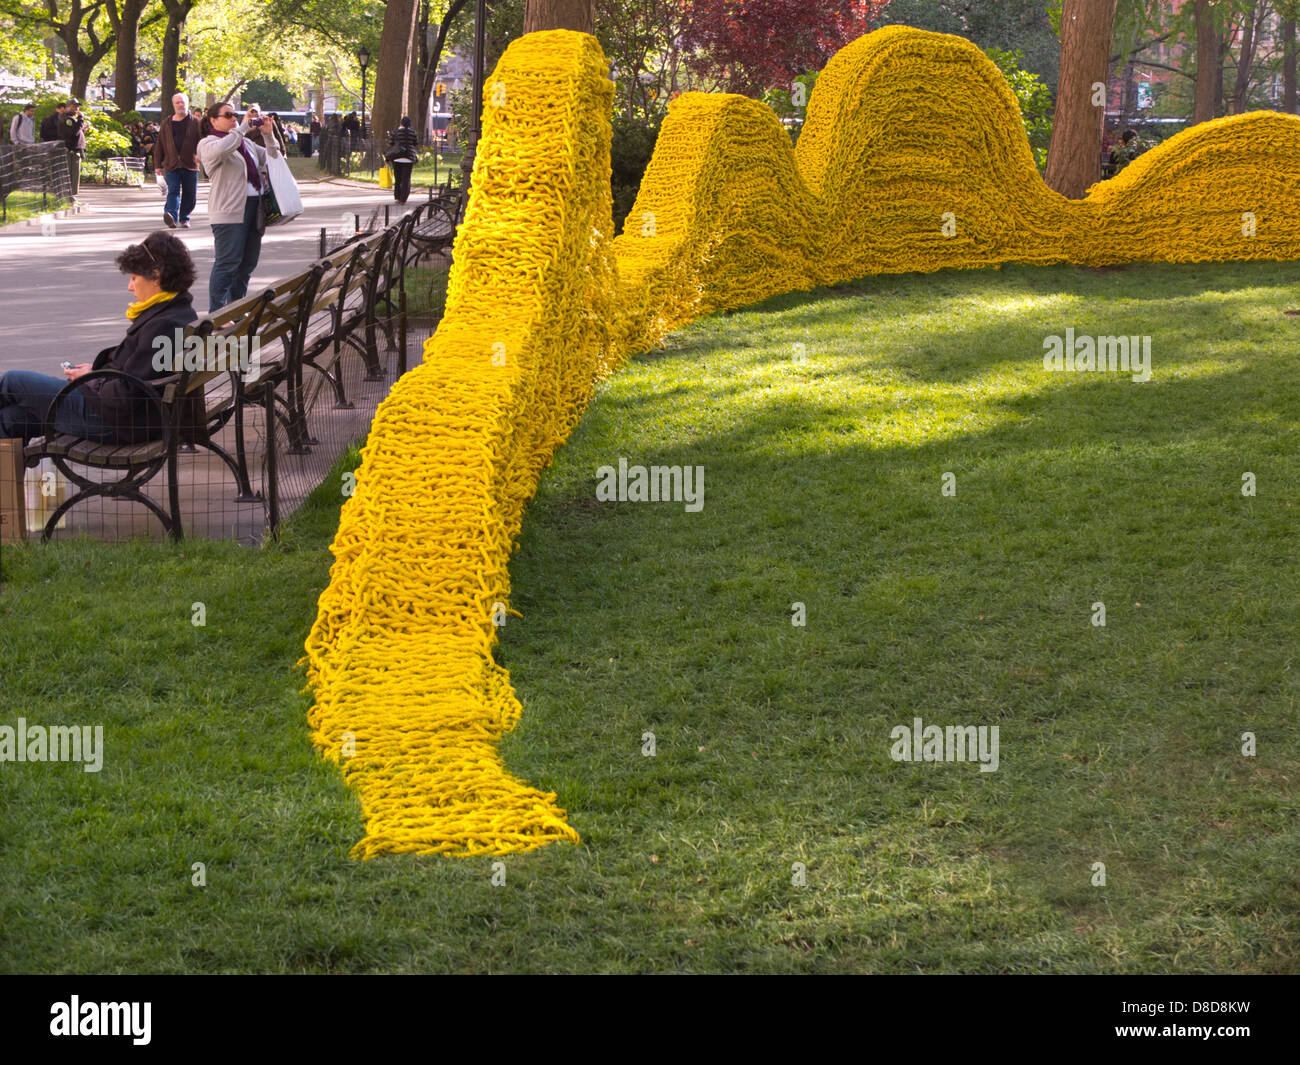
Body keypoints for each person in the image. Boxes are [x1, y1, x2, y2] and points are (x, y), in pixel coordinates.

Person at [0, 231, 197, 445]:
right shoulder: (177, 312)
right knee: (12, 419)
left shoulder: (164, 324)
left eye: (134, 278)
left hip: (118, 422)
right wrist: (96, 373)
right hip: (133, 417)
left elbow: (127, 395)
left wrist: (93, 380)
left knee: (13, 381)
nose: (129, 287)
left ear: (156, 276)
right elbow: (137, 378)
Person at [197, 101, 281, 312]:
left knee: (247, 264)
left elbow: (275, 158)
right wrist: (243, 127)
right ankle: (217, 313)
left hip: (255, 208)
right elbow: (222, 150)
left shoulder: (247, 144)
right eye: (228, 115)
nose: (234, 118)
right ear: (213, 120)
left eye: (235, 114)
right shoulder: (208, 143)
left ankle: (236, 308)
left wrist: (269, 135)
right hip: (229, 212)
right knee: (228, 263)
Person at [154, 92, 202, 229]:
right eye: (177, 102)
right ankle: (172, 217)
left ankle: (184, 218)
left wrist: (201, 155)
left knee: (190, 193)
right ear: (173, 105)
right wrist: (157, 165)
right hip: (171, 164)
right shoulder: (166, 123)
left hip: (190, 164)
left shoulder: (196, 122)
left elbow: (203, 141)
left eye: (183, 102)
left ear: (187, 104)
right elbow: (160, 145)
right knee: (173, 190)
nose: (180, 105)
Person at [386, 116, 419, 204]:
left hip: (397, 157)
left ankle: (397, 196)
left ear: (401, 123)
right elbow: (415, 143)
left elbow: (390, 143)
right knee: (406, 179)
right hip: (409, 158)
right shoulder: (413, 133)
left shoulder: (396, 132)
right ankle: (403, 199)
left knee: (398, 178)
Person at [60, 100, 87, 198]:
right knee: (72, 174)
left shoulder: (71, 119)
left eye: (77, 107)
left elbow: (75, 131)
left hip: (75, 150)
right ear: (66, 108)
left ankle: (71, 196)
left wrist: (82, 128)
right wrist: (81, 118)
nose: (76, 109)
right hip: (71, 151)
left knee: (75, 175)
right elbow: (74, 131)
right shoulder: (67, 119)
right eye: (73, 106)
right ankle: (69, 196)